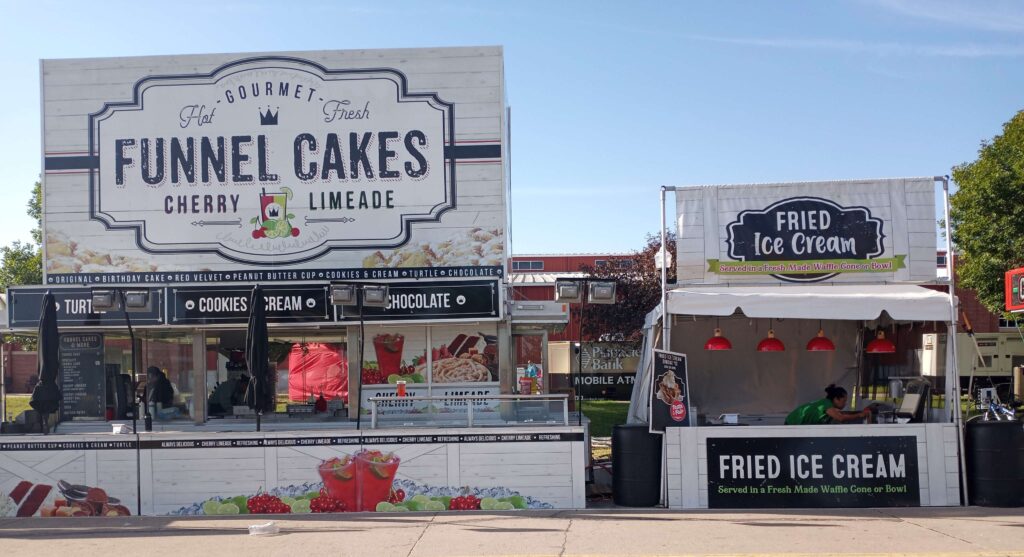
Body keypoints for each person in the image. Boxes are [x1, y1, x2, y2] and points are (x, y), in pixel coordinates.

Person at [785, 384, 873, 425]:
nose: (845, 403)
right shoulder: (826, 404)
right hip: (792, 423)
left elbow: (842, 414)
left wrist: (861, 413)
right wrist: (860, 415)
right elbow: (841, 418)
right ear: (836, 399)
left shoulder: (829, 407)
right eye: (843, 401)